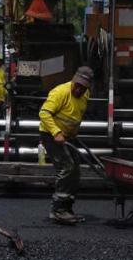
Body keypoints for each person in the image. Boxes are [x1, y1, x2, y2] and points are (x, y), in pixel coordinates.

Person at [39, 66, 93, 225]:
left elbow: (74, 116)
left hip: (68, 136)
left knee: (75, 170)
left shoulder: (85, 95)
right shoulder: (60, 92)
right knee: (67, 167)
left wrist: (72, 133)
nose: (79, 89)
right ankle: (57, 211)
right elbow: (44, 113)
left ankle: (67, 209)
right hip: (51, 135)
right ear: (74, 80)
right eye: (77, 85)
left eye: (83, 87)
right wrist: (56, 132)